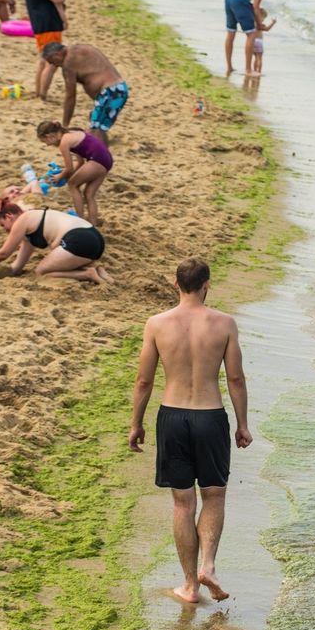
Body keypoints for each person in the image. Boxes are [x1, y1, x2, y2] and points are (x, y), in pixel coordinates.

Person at [129, 257, 252, 605]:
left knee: (183, 504)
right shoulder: (225, 323)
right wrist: (242, 424)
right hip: (210, 416)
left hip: (172, 417)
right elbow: (236, 378)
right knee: (214, 495)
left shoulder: (156, 324)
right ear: (206, 284)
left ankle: (189, 585)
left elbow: (143, 380)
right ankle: (208, 565)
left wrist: (136, 423)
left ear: (175, 284)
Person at [0, 200, 112, 284]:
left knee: (41, 272)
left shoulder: (22, 220)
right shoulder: (30, 226)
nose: (5, 230)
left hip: (79, 239)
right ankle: (97, 270)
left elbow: (3, 253)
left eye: (3, 225)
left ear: (9, 216)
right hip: (95, 239)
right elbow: (17, 266)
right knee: (56, 265)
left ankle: (87, 274)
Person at [40, 42, 129, 145]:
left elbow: (70, 97)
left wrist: (65, 125)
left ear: (57, 54)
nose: (54, 65)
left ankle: (100, 157)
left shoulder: (68, 64)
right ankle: (103, 152)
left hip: (110, 92)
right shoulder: (80, 48)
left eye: (52, 61)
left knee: (96, 129)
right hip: (119, 89)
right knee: (98, 126)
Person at [36, 120, 111, 226]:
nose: (47, 145)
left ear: (49, 136)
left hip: (97, 160)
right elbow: (80, 163)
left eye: (45, 141)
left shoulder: (64, 143)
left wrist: (59, 177)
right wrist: (64, 172)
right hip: (106, 159)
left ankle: (80, 221)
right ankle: (92, 226)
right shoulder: (71, 133)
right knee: (89, 194)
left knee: (72, 185)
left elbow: (69, 168)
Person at [23, 0, 68, 99]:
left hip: (41, 24)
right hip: (48, 25)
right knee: (52, 62)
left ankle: (39, 92)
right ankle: (42, 94)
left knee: (43, 60)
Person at [223, 0, 278, 76]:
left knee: (231, 32)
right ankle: (248, 70)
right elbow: (256, 6)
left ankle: (229, 67)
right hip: (240, 0)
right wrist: (259, 23)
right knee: (251, 34)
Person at [251, 8, 276, 75]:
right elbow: (267, 29)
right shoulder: (260, 25)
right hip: (259, 42)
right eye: (263, 18)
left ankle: (254, 70)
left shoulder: (252, 23)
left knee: (255, 58)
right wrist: (273, 23)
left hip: (252, 42)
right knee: (259, 58)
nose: (263, 20)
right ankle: (259, 72)